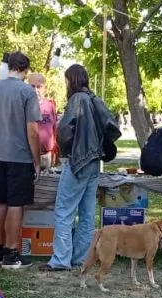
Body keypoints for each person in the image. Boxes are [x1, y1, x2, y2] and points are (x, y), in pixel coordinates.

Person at [42, 64, 120, 272]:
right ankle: (80, 257)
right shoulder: (94, 99)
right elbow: (113, 127)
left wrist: (67, 149)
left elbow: (65, 132)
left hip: (78, 161)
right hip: (94, 161)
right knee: (87, 214)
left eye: (66, 80)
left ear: (72, 80)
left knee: (64, 211)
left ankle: (61, 259)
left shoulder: (77, 100)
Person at [0, 51, 41, 269]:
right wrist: (36, 159)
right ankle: (11, 253)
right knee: (16, 204)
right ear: (25, 70)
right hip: (20, 156)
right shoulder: (27, 91)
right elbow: (32, 131)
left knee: (0, 202)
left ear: (8, 67)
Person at [28, 73, 59, 168]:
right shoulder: (24, 106)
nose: (35, 90)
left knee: (47, 182)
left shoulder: (50, 105)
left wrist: (54, 151)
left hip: (47, 156)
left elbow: (54, 129)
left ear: (44, 88)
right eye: (32, 86)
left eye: (39, 87)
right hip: (29, 156)